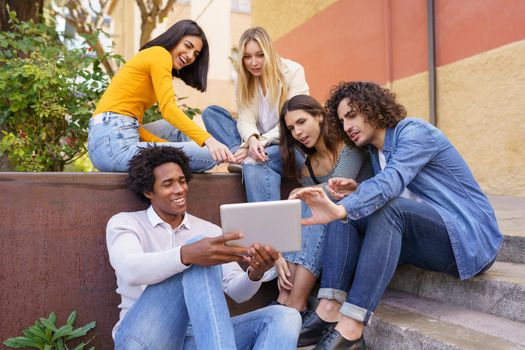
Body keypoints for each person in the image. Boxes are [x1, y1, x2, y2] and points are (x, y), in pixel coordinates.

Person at [290, 81, 502, 350]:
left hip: (470, 238)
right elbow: (396, 190)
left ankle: (352, 327)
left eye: (352, 115)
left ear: (374, 108)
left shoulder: (414, 132)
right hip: (430, 238)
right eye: (342, 120)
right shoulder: (376, 153)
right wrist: (357, 191)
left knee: (373, 209)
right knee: (351, 206)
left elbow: (393, 182)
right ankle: (328, 309)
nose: (346, 126)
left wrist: (346, 206)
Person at [107, 145, 301, 349]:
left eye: (182, 181)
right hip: (143, 337)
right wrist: (186, 254)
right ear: (148, 190)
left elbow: (238, 293)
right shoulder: (125, 223)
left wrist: (256, 272)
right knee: (195, 252)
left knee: (285, 316)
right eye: (168, 184)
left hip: (198, 338)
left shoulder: (209, 230)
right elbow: (129, 269)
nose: (179, 189)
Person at [88, 20, 235, 173]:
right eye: (188, 46)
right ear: (175, 38)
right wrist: (209, 140)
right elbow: (168, 109)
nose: (190, 56)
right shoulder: (160, 54)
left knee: (176, 129)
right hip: (114, 146)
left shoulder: (154, 57)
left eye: (196, 54)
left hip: (107, 140)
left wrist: (165, 147)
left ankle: (180, 177)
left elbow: (135, 127)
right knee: (210, 154)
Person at [272, 95, 372, 319]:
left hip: (363, 223)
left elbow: (336, 191)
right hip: (334, 229)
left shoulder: (349, 145)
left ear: (318, 116)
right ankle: (286, 296)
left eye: (301, 122)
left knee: (314, 206)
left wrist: (299, 194)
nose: (297, 132)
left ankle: (295, 302)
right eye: (291, 128)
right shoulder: (308, 168)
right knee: (305, 209)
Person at [201, 26, 309, 202]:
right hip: (254, 143)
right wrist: (251, 141)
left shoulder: (294, 71)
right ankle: (244, 156)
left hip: (287, 145)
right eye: (247, 57)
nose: (253, 62)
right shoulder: (245, 80)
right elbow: (245, 119)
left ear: (269, 52)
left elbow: (296, 121)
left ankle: (244, 159)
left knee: (256, 162)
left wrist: (260, 142)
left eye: (260, 55)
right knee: (211, 114)